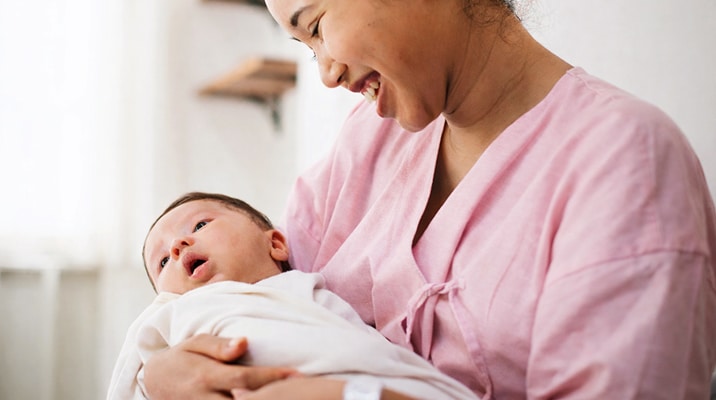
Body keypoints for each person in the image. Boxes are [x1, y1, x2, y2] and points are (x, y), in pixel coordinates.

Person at [143, 1, 716, 399]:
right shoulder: (365, 145)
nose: (325, 73)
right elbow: (258, 300)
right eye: (301, 45)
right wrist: (165, 370)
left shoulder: (623, 159)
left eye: (316, 26)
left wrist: (360, 397)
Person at [106, 192, 478, 400]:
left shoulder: (311, 291)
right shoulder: (171, 313)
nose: (177, 245)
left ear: (276, 244)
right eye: (160, 262)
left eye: (200, 225)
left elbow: (368, 348)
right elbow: (130, 375)